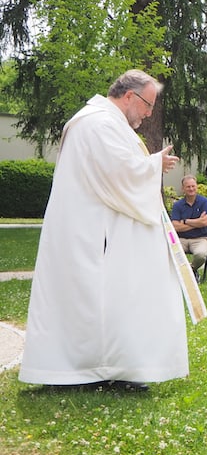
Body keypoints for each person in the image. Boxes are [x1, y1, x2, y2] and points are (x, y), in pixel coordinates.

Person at [19, 70, 186, 391]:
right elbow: (118, 174)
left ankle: (107, 368)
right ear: (129, 97)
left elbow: (116, 169)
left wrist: (150, 164)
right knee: (94, 299)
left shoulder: (101, 122)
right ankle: (86, 371)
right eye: (148, 105)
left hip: (93, 227)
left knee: (101, 300)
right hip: (91, 232)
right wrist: (154, 166)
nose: (150, 113)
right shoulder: (99, 123)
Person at [171, 175, 207, 280]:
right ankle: (181, 274)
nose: (191, 189)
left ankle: (191, 270)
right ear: (183, 188)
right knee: (171, 251)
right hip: (181, 239)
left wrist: (185, 221)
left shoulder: (205, 202)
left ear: (196, 187)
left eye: (193, 186)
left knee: (200, 255)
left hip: (201, 238)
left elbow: (205, 222)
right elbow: (175, 226)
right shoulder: (177, 205)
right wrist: (197, 222)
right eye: (188, 187)